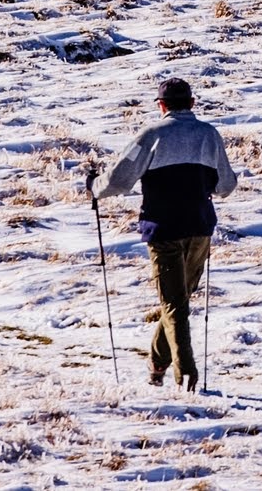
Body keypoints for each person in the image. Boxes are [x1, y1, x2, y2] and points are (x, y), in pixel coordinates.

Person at [87, 77, 239, 390]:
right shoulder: (209, 134)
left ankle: (186, 377)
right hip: (200, 227)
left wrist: (94, 186)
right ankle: (158, 363)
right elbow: (226, 185)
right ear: (192, 103)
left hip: (164, 227)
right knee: (178, 302)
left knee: (174, 304)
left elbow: (119, 180)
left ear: (161, 105)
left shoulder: (151, 135)